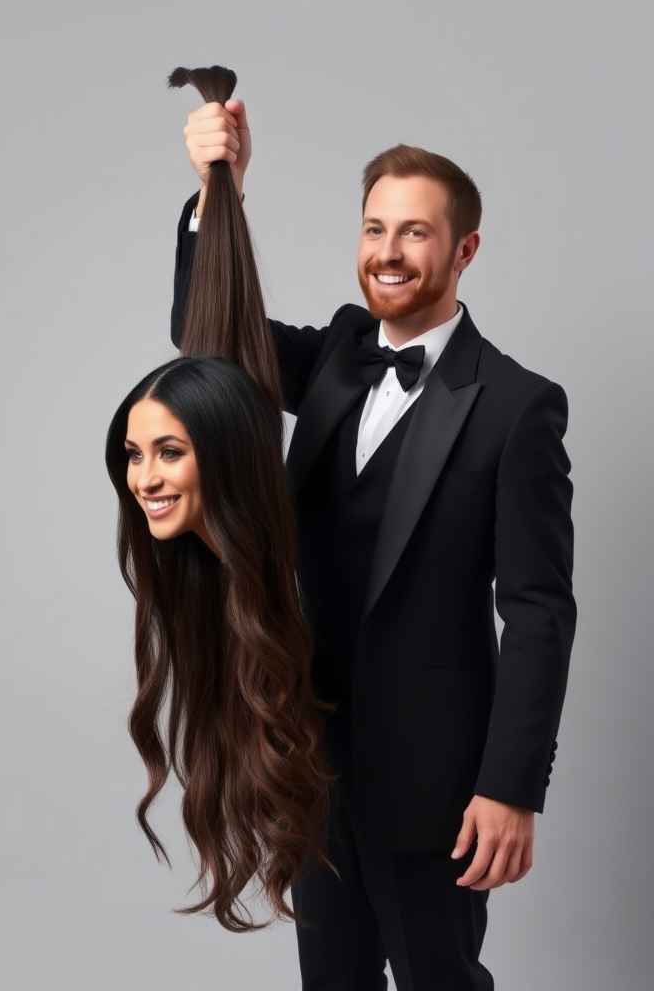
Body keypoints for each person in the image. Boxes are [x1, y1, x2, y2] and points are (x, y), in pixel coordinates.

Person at [171, 98, 575, 989]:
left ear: (464, 250)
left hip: (436, 784)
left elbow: (540, 614)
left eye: (416, 233)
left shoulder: (516, 406)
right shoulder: (339, 356)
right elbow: (208, 342)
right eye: (374, 228)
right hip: (308, 764)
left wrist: (512, 786)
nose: (388, 253)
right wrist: (215, 194)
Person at [105, 354, 335, 932]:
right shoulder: (206, 573)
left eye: (169, 452)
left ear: (227, 455)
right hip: (327, 817)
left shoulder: (312, 574)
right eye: (135, 454)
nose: (145, 478)